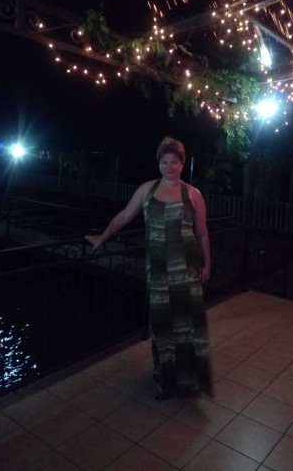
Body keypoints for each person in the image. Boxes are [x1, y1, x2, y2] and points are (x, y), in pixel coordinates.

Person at [85, 136, 212, 399]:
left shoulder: (194, 194)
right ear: (159, 163)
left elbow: (201, 232)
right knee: (162, 325)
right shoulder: (147, 189)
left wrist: (207, 263)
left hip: (187, 270)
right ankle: (166, 378)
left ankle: (189, 379)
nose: (169, 166)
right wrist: (101, 237)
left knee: (186, 324)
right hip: (158, 269)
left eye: (174, 162)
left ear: (182, 164)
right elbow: (123, 216)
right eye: (164, 162)